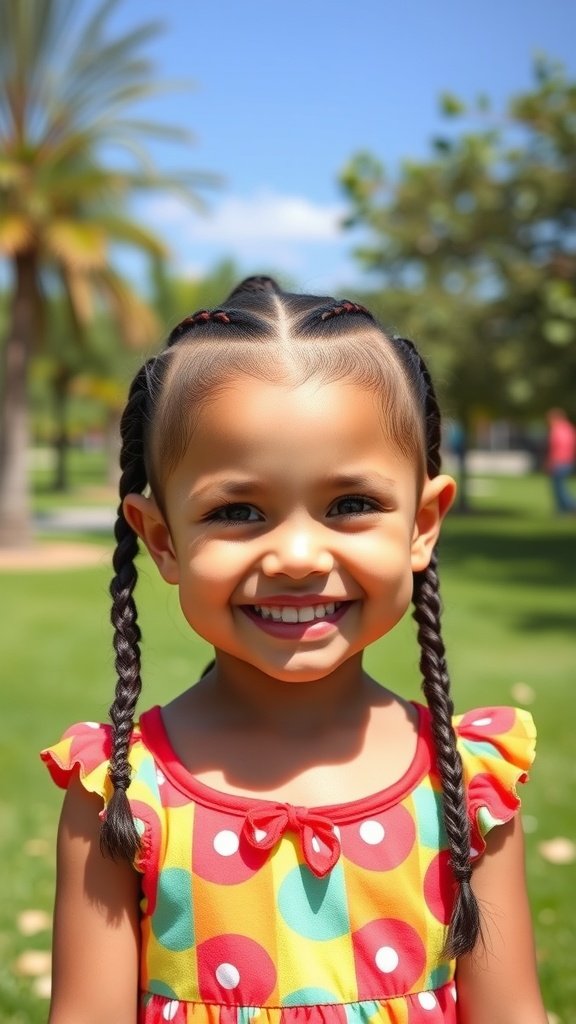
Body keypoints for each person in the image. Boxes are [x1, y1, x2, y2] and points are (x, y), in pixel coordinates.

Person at [42, 277, 547, 1024]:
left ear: (423, 523)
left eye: (352, 505)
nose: (300, 556)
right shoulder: (118, 792)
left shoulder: (467, 785)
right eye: (238, 511)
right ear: (161, 539)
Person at [546, 408, 576, 513]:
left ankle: (569, 507)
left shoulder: (557, 430)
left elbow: (555, 447)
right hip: (568, 461)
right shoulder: (569, 428)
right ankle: (562, 510)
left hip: (559, 461)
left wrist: (550, 462)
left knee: (559, 488)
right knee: (560, 487)